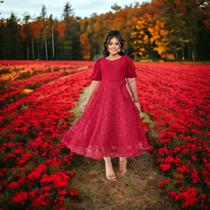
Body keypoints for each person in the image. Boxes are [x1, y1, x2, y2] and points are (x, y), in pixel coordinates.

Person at [61, 30, 149, 182]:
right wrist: (87, 100)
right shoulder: (100, 63)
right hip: (104, 99)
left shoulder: (126, 61)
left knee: (123, 127)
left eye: (117, 44)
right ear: (107, 46)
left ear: (120, 46)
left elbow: (131, 81)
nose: (114, 47)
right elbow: (95, 82)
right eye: (111, 44)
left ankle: (123, 159)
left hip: (121, 99)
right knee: (104, 128)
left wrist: (136, 100)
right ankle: (107, 162)